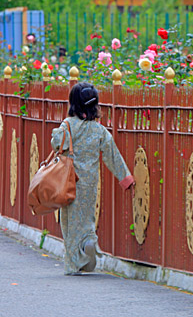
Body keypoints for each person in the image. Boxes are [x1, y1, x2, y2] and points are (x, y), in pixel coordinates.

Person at [51, 82, 135, 275]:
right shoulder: (99, 130)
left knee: (70, 221)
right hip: (89, 182)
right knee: (87, 217)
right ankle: (89, 241)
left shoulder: (68, 125)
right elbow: (112, 155)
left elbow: (56, 143)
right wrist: (126, 178)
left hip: (68, 180)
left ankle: (73, 265)